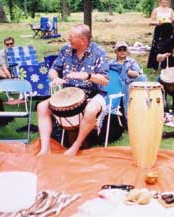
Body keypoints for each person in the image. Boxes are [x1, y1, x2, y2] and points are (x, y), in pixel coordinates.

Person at [36, 24, 115, 156]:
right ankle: (45, 149)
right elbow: (53, 70)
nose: (68, 38)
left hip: (94, 94)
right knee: (41, 106)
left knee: (90, 110)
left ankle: (75, 147)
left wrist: (88, 76)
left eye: (71, 37)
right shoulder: (66, 50)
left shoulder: (98, 52)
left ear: (83, 40)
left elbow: (105, 80)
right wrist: (55, 78)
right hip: (68, 93)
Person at [109, 40, 147, 116]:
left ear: (127, 51)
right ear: (116, 51)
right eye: (120, 49)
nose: (122, 51)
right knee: (124, 88)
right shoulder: (111, 63)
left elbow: (137, 73)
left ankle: (144, 106)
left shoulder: (131, 61)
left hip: (130, 83)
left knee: (143, 77)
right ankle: (127, 117)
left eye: (124, 49)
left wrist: (129, 72)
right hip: (117, 85)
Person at [147, 0, 174, 72]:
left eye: (166, 1)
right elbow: (151, 21)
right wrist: (157, 22)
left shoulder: (170, 10)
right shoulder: (156, 10)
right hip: (159, 29)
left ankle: (166, 65)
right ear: (160, 1)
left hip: (169, 29)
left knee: (168, 46)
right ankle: (154, 67)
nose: (165, 2)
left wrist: (173, 20)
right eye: (163, 1)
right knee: (156, 47)